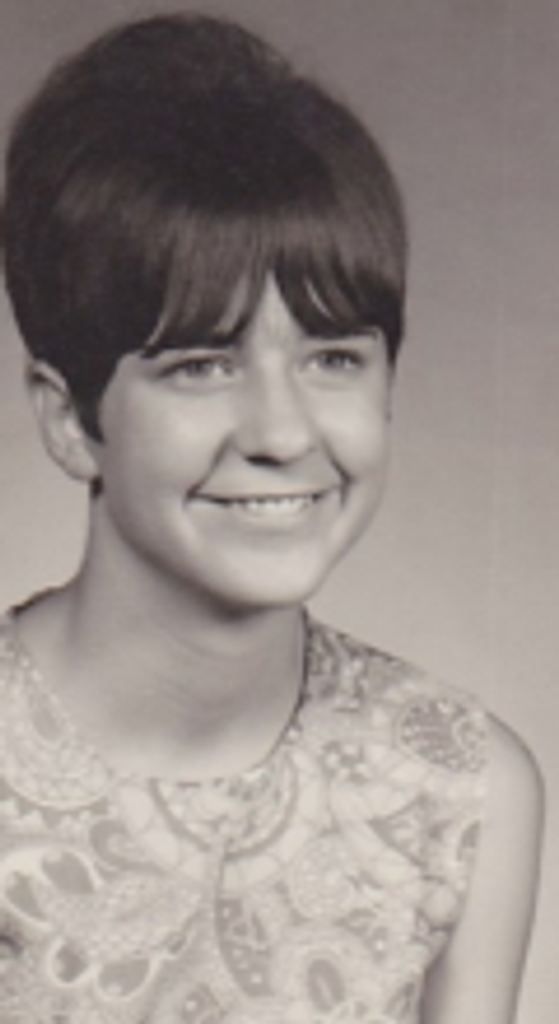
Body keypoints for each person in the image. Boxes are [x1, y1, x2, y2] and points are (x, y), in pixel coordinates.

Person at [0, 12, 543, 1024]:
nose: (283, 433)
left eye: (332, 356)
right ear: (71, 421)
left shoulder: (457, 787)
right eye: (201, 364)